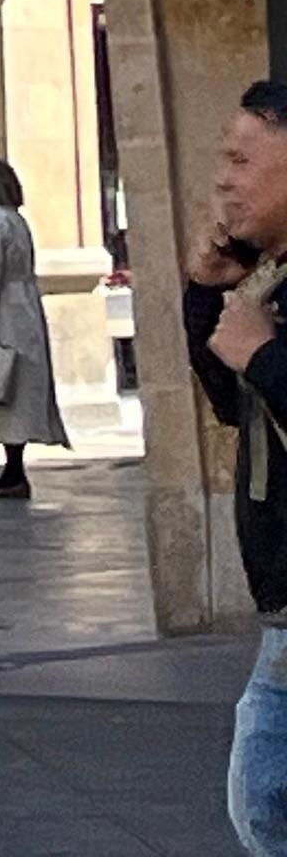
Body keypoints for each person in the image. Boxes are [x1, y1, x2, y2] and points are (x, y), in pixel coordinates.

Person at [183, 81, 287, 857]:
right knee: (261, 804)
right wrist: (207, 299)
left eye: (243, 160)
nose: (223, 178)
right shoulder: (270, 284)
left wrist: (266, 354)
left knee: (261, 801)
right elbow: (235, 402)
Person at [0, 157, 67, 496]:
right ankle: (13, 468)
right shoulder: (16, 221)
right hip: (23, 311)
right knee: (16, 395)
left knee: (2, 392)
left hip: (2, 316)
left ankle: (10, 472)